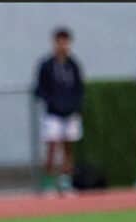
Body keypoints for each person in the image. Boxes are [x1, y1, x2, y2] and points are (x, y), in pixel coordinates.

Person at [34, 27, 84, 196]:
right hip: (53, 114)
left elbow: (79, 88)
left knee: (68, 149)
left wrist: (74, 106)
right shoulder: (46, 65)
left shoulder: (73, 65)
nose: (63, 45)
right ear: (55, 43)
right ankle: (48, 184)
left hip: (70, 114)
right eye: (60, 41)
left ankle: (66, 183)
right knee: (51, 148)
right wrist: (53, 103)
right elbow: (40, 89)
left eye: (66, 42)